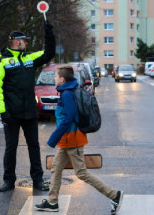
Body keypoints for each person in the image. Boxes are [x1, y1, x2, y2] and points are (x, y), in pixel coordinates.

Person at [34, 65, 123, 214]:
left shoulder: (68, 94)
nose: (54, 79)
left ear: (62, 79)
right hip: (67, 139)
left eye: (55, 76)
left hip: (72, 139)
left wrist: (53, 138)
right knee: (56, 168)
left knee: (82, 173)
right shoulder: (66, 91)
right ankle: (52, 201)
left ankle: (114, 195)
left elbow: (68, 118)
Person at [0, 21, 55, 192]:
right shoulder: (2, 62)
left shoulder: (29, 59)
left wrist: (48, 33)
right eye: (25, 41)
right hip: (11, 113)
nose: (27, 44)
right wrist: (3, 111)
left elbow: (49, 53)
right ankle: (9, 180)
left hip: (30, 112)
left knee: (34, 146)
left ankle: (38, 179)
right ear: (17, 42)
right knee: (11, 147)